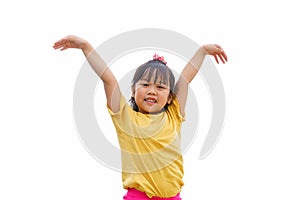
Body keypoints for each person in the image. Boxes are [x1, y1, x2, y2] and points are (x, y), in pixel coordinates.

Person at [53, 35, 227, 200]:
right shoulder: (125, 117)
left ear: (170, 97)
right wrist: (86, 46)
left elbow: (185, 79)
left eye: (160, 86)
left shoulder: (174, 115)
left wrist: (203, 51)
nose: (152, 90)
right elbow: (108, 80)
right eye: (145, 84)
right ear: (134, 91)